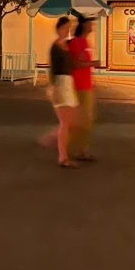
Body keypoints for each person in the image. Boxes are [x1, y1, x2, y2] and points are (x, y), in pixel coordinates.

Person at [40, 16, 81, 168]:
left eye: (69, 28)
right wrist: (53, 88)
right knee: (65, 123)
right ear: (58, 29)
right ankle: (63, 157)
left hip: (68, 82)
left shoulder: (67, 46)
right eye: (64, 28)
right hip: (60, 83)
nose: (67, 31)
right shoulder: (56, 47)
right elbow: (53, 70)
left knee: (73, 121)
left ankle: (52, 136)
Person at [67, 14, 101, 162]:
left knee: (87, 119)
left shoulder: (85, 42)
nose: (92, 26)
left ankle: (80, 149)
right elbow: (75, 64)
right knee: (82, 119)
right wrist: (92, 63)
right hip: (79, 85)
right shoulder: (76, 42)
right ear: (84, 25)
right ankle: (75, 149)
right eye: (90, 23)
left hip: (86, 85)